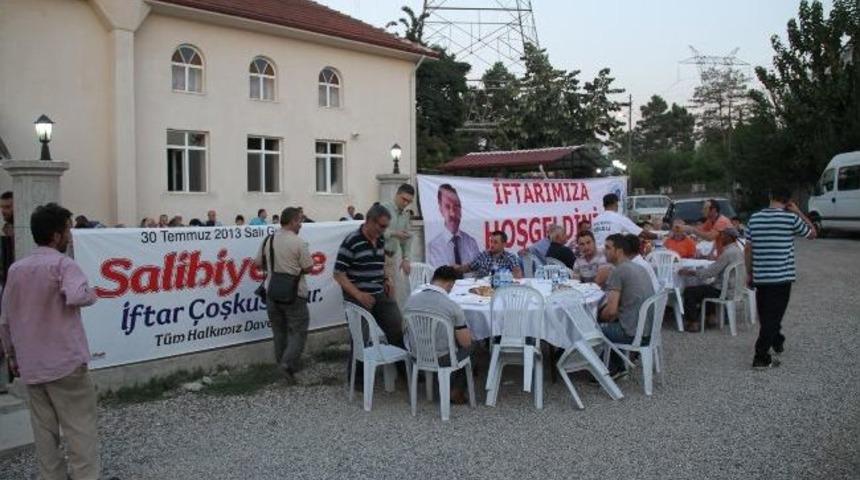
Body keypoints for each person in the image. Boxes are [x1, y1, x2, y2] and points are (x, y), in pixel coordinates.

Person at [0, 203, 100, 479]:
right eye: (67, 229)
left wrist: (11, 355)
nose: (70, 235)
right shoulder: (63, 264)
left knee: (44, 434)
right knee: (80, 430)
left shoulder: (16, 269)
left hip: (31, 364)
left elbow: (5, 319)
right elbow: (77, 296)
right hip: (65, 362)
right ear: (56, 235)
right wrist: (92, 293)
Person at [745, 186, 816, 369]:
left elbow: (748, 248)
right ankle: (760, 357)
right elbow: (812, 233)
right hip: (781, 277)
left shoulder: (754, 218)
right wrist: (798, 211)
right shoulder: (790, 218)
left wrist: (749, 272)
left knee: (767, 315)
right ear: (788, 201)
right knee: (773, 316)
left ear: (770, 196)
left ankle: (777, 340)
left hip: (761, 276)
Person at [254, 207, 314, 382]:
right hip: (294, 294)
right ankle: (288, 364)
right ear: (293, 221)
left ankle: (282, 365)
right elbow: (309, 267)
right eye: (299, 221)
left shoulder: (269, 240)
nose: (301, 224)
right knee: (298, 331)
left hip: (272, 292)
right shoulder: (298, 243)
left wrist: (275, 268)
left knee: (278, 331)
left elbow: (258, 263)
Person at [334, 204, 402, 347]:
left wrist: (387, 279)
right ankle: (358, 369)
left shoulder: (381, 239)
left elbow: (380, 263)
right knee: (361, 342)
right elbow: (338, 274)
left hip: (379, 293)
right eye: (382, 226)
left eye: (386, 227)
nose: (384, 230)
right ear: (370, 221)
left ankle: (401, 368)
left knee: (397, 330)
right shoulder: (351, 241)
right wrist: (358, 295)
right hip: (356, 297)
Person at [404, 266, 474, 404]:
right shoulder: (452, 306)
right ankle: (456, 390)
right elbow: (466, 343)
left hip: (416, 354)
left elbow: (404, 330)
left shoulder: (410, 300)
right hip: (442, 358)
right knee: (473, 347)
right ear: (450, 284)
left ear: (433, 279)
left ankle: (439, 384)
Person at [597, 233, 657, 375]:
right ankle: (617, 365)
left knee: (591, 328)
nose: (604, 251)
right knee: (607, 321)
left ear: (618, 251)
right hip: (649, 331)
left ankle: (610, 368)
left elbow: (611, 311)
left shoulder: (619, 271)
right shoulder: (639, 267)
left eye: (607, 247)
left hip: (632, 333)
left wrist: (598, 316)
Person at [678, 227, 745, 331]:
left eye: (722, 236)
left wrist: (691, 272)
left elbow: (710, 273)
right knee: (708, 287)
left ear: (728, 238)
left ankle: (693, 322)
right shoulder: (737, 250)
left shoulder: (728, 253)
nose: (720, 239)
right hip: (735, 287)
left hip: (724, 290)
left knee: (690, 291)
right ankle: (711, 317)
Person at [427, 183, 481, 267]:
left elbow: (478, 268)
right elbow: (438, 274)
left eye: (456, 206)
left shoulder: (471, 242)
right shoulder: (434, 246)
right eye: (447, 207)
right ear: (441, 209)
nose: (453, 213)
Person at [381, 184, 415, 305]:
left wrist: (406, 258)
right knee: (381, 294)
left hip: (391, 257)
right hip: (377, 256)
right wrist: (394, 233)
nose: (406, 203)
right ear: (397, 195)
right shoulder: (383, 209)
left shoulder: (405, 214)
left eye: (409, 201)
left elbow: (407, 237)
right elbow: (374, 231)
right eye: (404, 199)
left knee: (390, 294)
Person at [592, 193, 656, 249]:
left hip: (597, 256)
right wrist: (659, 236)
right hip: (612, 256)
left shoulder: (595, 220)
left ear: (603, 205)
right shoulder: (619, 218)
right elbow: (642, 233)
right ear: (616, 203)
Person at [454, 230, 523, 279]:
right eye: (491, 241)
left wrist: (504, 277)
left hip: (501, 288)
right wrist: (456, 268)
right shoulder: (484, 255)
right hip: (481, 289)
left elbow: (518, 275)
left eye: (495, 242)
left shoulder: (510, 257)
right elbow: (469, 267)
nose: (492, 245)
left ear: (504, 244)